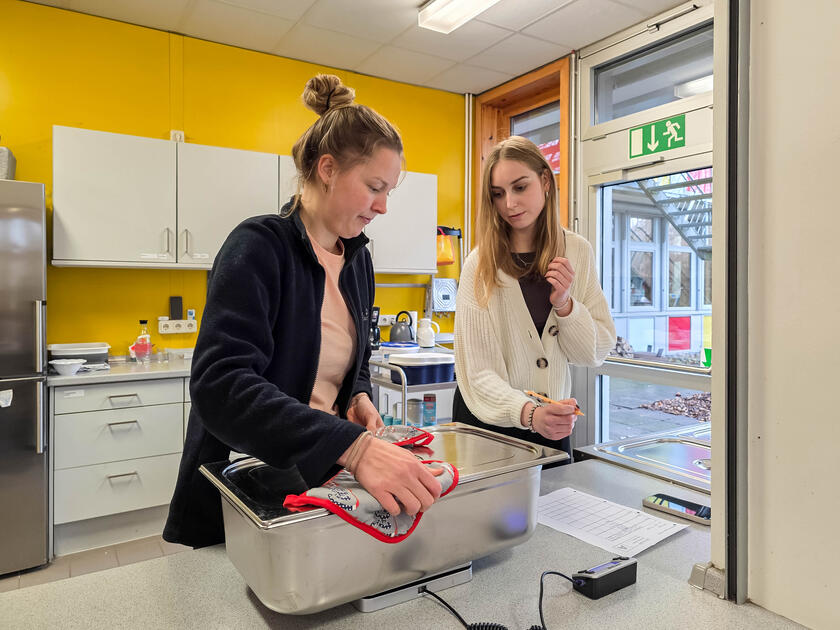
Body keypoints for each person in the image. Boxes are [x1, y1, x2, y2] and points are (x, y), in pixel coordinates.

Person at [164, 74, 443, 548]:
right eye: (375, 186)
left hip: (313, 478)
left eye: (390, 191)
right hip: (241, 490)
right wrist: (353, 447)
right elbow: (221, 386)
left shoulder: (358, 259)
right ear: (328, 169)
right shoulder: (258, 247)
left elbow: (345, 360)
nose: (383, 206)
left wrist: (355, 397)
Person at [453, 136, 615, 459]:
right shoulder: (479, 265)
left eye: (520, 187)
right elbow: (478, 374)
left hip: (552, 427)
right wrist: (530, 413)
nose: (509, 204)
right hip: (489, 425)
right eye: (498, 194)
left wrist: (566, 306)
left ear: (544, 181)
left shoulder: (578, 252)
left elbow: (595, 351)